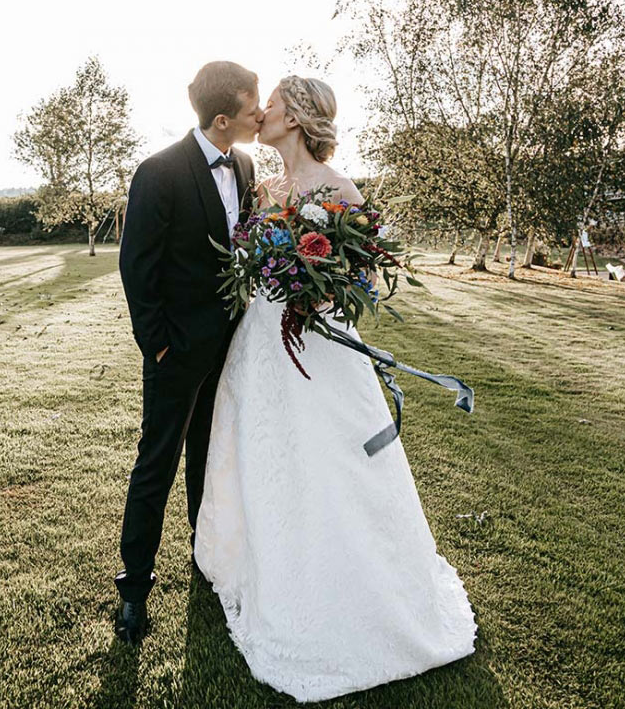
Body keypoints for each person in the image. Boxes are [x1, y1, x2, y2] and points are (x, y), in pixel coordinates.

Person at [192, 75, 477, 702]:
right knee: (268, 455)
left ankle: (344, 585)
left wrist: (313, 285)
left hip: (317, 348)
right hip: (261, 345)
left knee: (328, 460)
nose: (260, 112)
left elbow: (361, 281)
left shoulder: (340, 190)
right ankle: (271, 564)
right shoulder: (262, 189)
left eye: (272, 105)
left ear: (294, 117)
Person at [114, 61, 262, 643]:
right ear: (222, 118)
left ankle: (207, 562)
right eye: (253, 107)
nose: (260, 114)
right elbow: (136, 267)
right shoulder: (159, 172)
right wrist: (158, 346)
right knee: (157, 466)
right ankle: (134, 591)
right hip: (176, 353)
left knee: (210, 459)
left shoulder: (246, 165)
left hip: (231, 347)